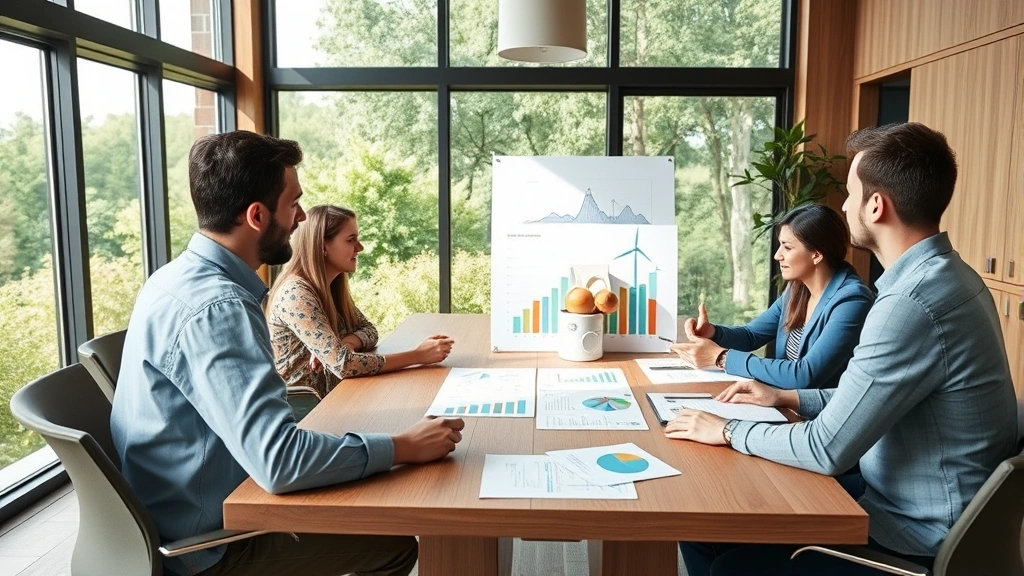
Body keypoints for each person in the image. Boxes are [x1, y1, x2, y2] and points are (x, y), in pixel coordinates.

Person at [666, 122, 1018, 576]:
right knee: (704, 524)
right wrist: (788, 397)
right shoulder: (951, 277)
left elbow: (825, 448)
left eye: (850, 194)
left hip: (911, 536)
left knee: (728, 561)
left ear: (876, 205)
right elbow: (869, 396)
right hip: (905, 504)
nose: (846, 206)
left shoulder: (910, 304)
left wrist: (728, 430)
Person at [110, 131, 465, 576]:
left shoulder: (169, 279)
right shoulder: (220, 309)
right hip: (209, 545)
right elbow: (279, 463)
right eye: (293, 203)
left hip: (176, 509)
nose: (300, 217)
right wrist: (402, 447)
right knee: (391, 544)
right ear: (257, 216)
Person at [671, 203, 874, 389]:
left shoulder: (852, 301)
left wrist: (721, 357)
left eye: (787, 247)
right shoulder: (796, 289)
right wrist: (714, 333)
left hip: (815, 414)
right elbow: (751, 335)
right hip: (780, 403)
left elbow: (805, 375)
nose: (778, 255)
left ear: (817, 254)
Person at [267, 204, 454, 398]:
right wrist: (418, 356)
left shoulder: (330, 286)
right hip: (304, 409)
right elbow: (344, 365)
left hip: (335, 398)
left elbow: (369, 330)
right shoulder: (296, 294)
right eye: (351, 240)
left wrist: (346, 342)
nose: (360, 248)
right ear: (322, 246)